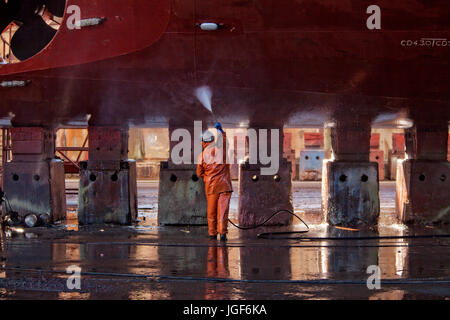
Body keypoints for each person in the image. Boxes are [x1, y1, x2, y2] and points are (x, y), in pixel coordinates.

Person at [197, 122, 233, 241]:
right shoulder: (221, 151)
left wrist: (207, 178)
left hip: (211, 187)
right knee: (222, 211)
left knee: (211, 211)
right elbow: (224, 142)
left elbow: (199, 173)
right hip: (225, 186)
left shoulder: (201, 156)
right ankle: (222, 234)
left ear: (204, 142)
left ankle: (212, 233)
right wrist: (220, 131)